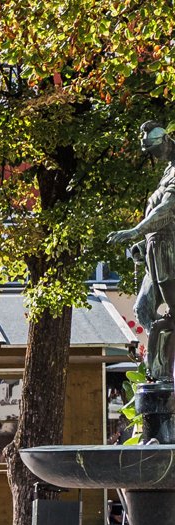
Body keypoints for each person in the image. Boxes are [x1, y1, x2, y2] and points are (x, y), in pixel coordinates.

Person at [109, 121, 175, 382]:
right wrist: (141, 243)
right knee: (142, 310)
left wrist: (134, 231)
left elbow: (167, 210)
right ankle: (158, 362)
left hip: (170, 255)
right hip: (155, 252)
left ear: (166, 142)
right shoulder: (168, 170)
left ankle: (164, 368)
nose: (153, 157)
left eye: (154, 150)